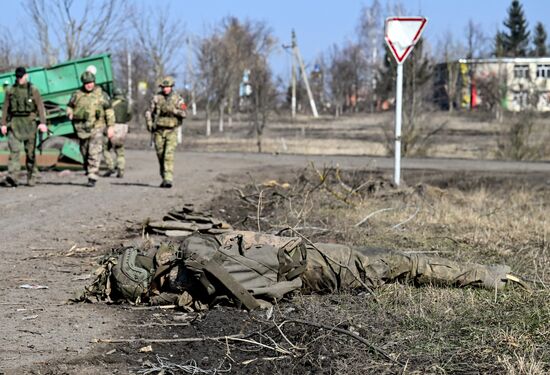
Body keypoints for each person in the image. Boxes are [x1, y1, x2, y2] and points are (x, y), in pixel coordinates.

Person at [78, 207, 529, 310]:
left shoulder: (192, 270)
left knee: (398, 263)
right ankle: (488, 276)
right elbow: (232, 278)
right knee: (402, 263)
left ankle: (485, 275)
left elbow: (222, 269)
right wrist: (255, 307)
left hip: (307, 263)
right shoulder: (194, 268)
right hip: (312, 264)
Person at [0, 67, 48, 187]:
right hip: (15, 123)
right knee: (14, 151)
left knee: (30, 153)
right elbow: (5, 108)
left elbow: (40, 107)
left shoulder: (33, 90)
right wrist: (3, 124)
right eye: (17, 76)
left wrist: (43, 123)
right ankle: (12, 177)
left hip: (29, 123)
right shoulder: (10, 90)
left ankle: (32, 176)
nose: (19, 79)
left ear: (26, 76)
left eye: (21, 76)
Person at [66, 71, 115, 187]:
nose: (89, 85)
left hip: (97, 127)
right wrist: (69, 113)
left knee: (95, 151)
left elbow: (109, 110)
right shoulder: (77, 95)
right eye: (87, 83)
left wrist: (111, 126)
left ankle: (92, 176)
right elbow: (69, 106)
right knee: (84, 151)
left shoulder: (101, 95)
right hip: (81, 129)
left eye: (91, 82)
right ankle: (88, 169)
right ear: (83, 83)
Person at [145, 76, 187, 188]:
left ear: (171, 87)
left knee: (168, 154)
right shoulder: (156, 98)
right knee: (161, 155)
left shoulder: (178, 99)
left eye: (167, 87)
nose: (165, 89)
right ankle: (164, 176)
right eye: (163, 87)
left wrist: (173, 110)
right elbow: (149, 112)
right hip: (158, 131)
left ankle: (168, 178)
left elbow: (184, 113)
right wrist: (149, 124)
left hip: (171, 131)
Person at [102, 88, 131, 178]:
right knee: (120, 150)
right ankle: (121, 170)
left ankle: (110, 166)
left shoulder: (110, 102)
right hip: (122, 127)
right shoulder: (126, 103)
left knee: (106, 148)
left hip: (111, 126)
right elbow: (129, 115)